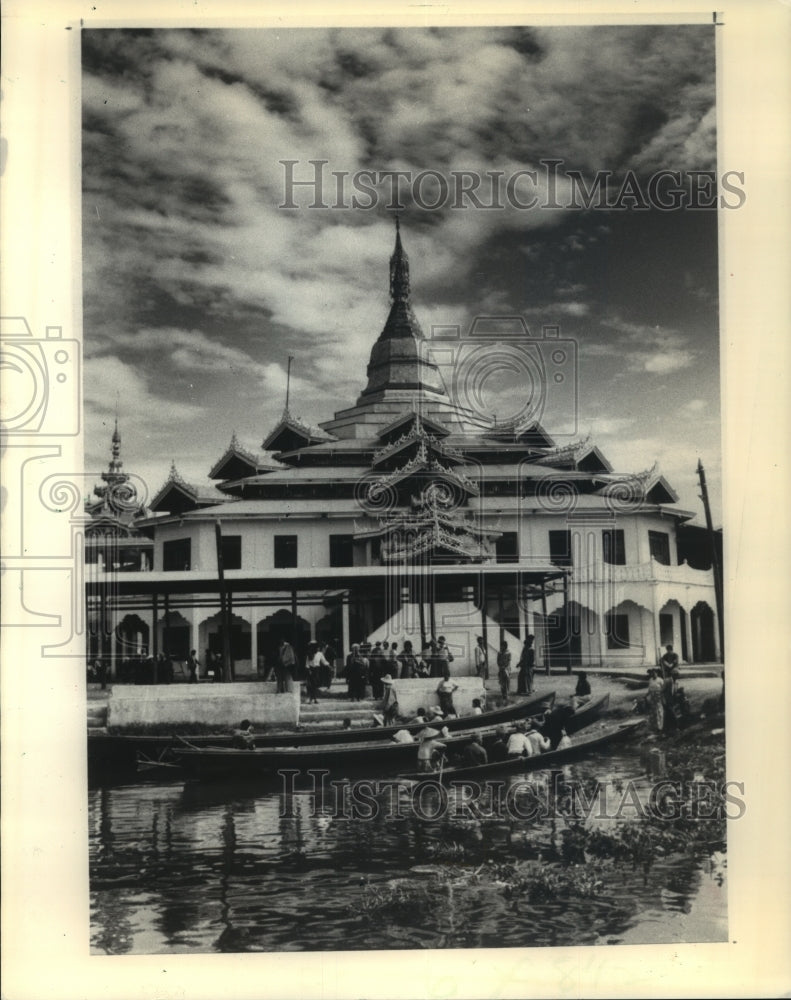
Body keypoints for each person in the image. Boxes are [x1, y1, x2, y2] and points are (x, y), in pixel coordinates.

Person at [646, 668, 665, 732]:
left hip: (659, 697)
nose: (654, 674)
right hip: (652, 698)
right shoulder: (650, 680)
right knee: (654, 712)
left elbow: (663, 689)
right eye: (652, 673)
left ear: (657, 673)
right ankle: (655, 726)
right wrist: (646, 695)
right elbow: (649, 689)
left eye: (655, 673)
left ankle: (661, 727)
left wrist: (663, 697)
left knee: (659, 712)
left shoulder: (660, 680)